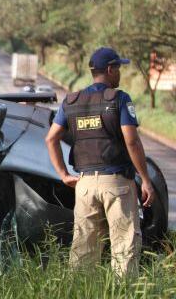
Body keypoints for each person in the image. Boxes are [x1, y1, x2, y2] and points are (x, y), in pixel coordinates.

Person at [45, 47, 155, 278]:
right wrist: (145, 180)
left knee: (83, 250)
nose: (120, 74)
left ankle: (79, 293)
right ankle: (123, 294)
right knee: (124, 248)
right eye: (119, 68)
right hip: (117, 184)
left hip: (84, 186)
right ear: (109, 69)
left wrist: (64, 174)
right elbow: (132, 142)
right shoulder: (120, 99)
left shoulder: (72, 101)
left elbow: (51, 138)